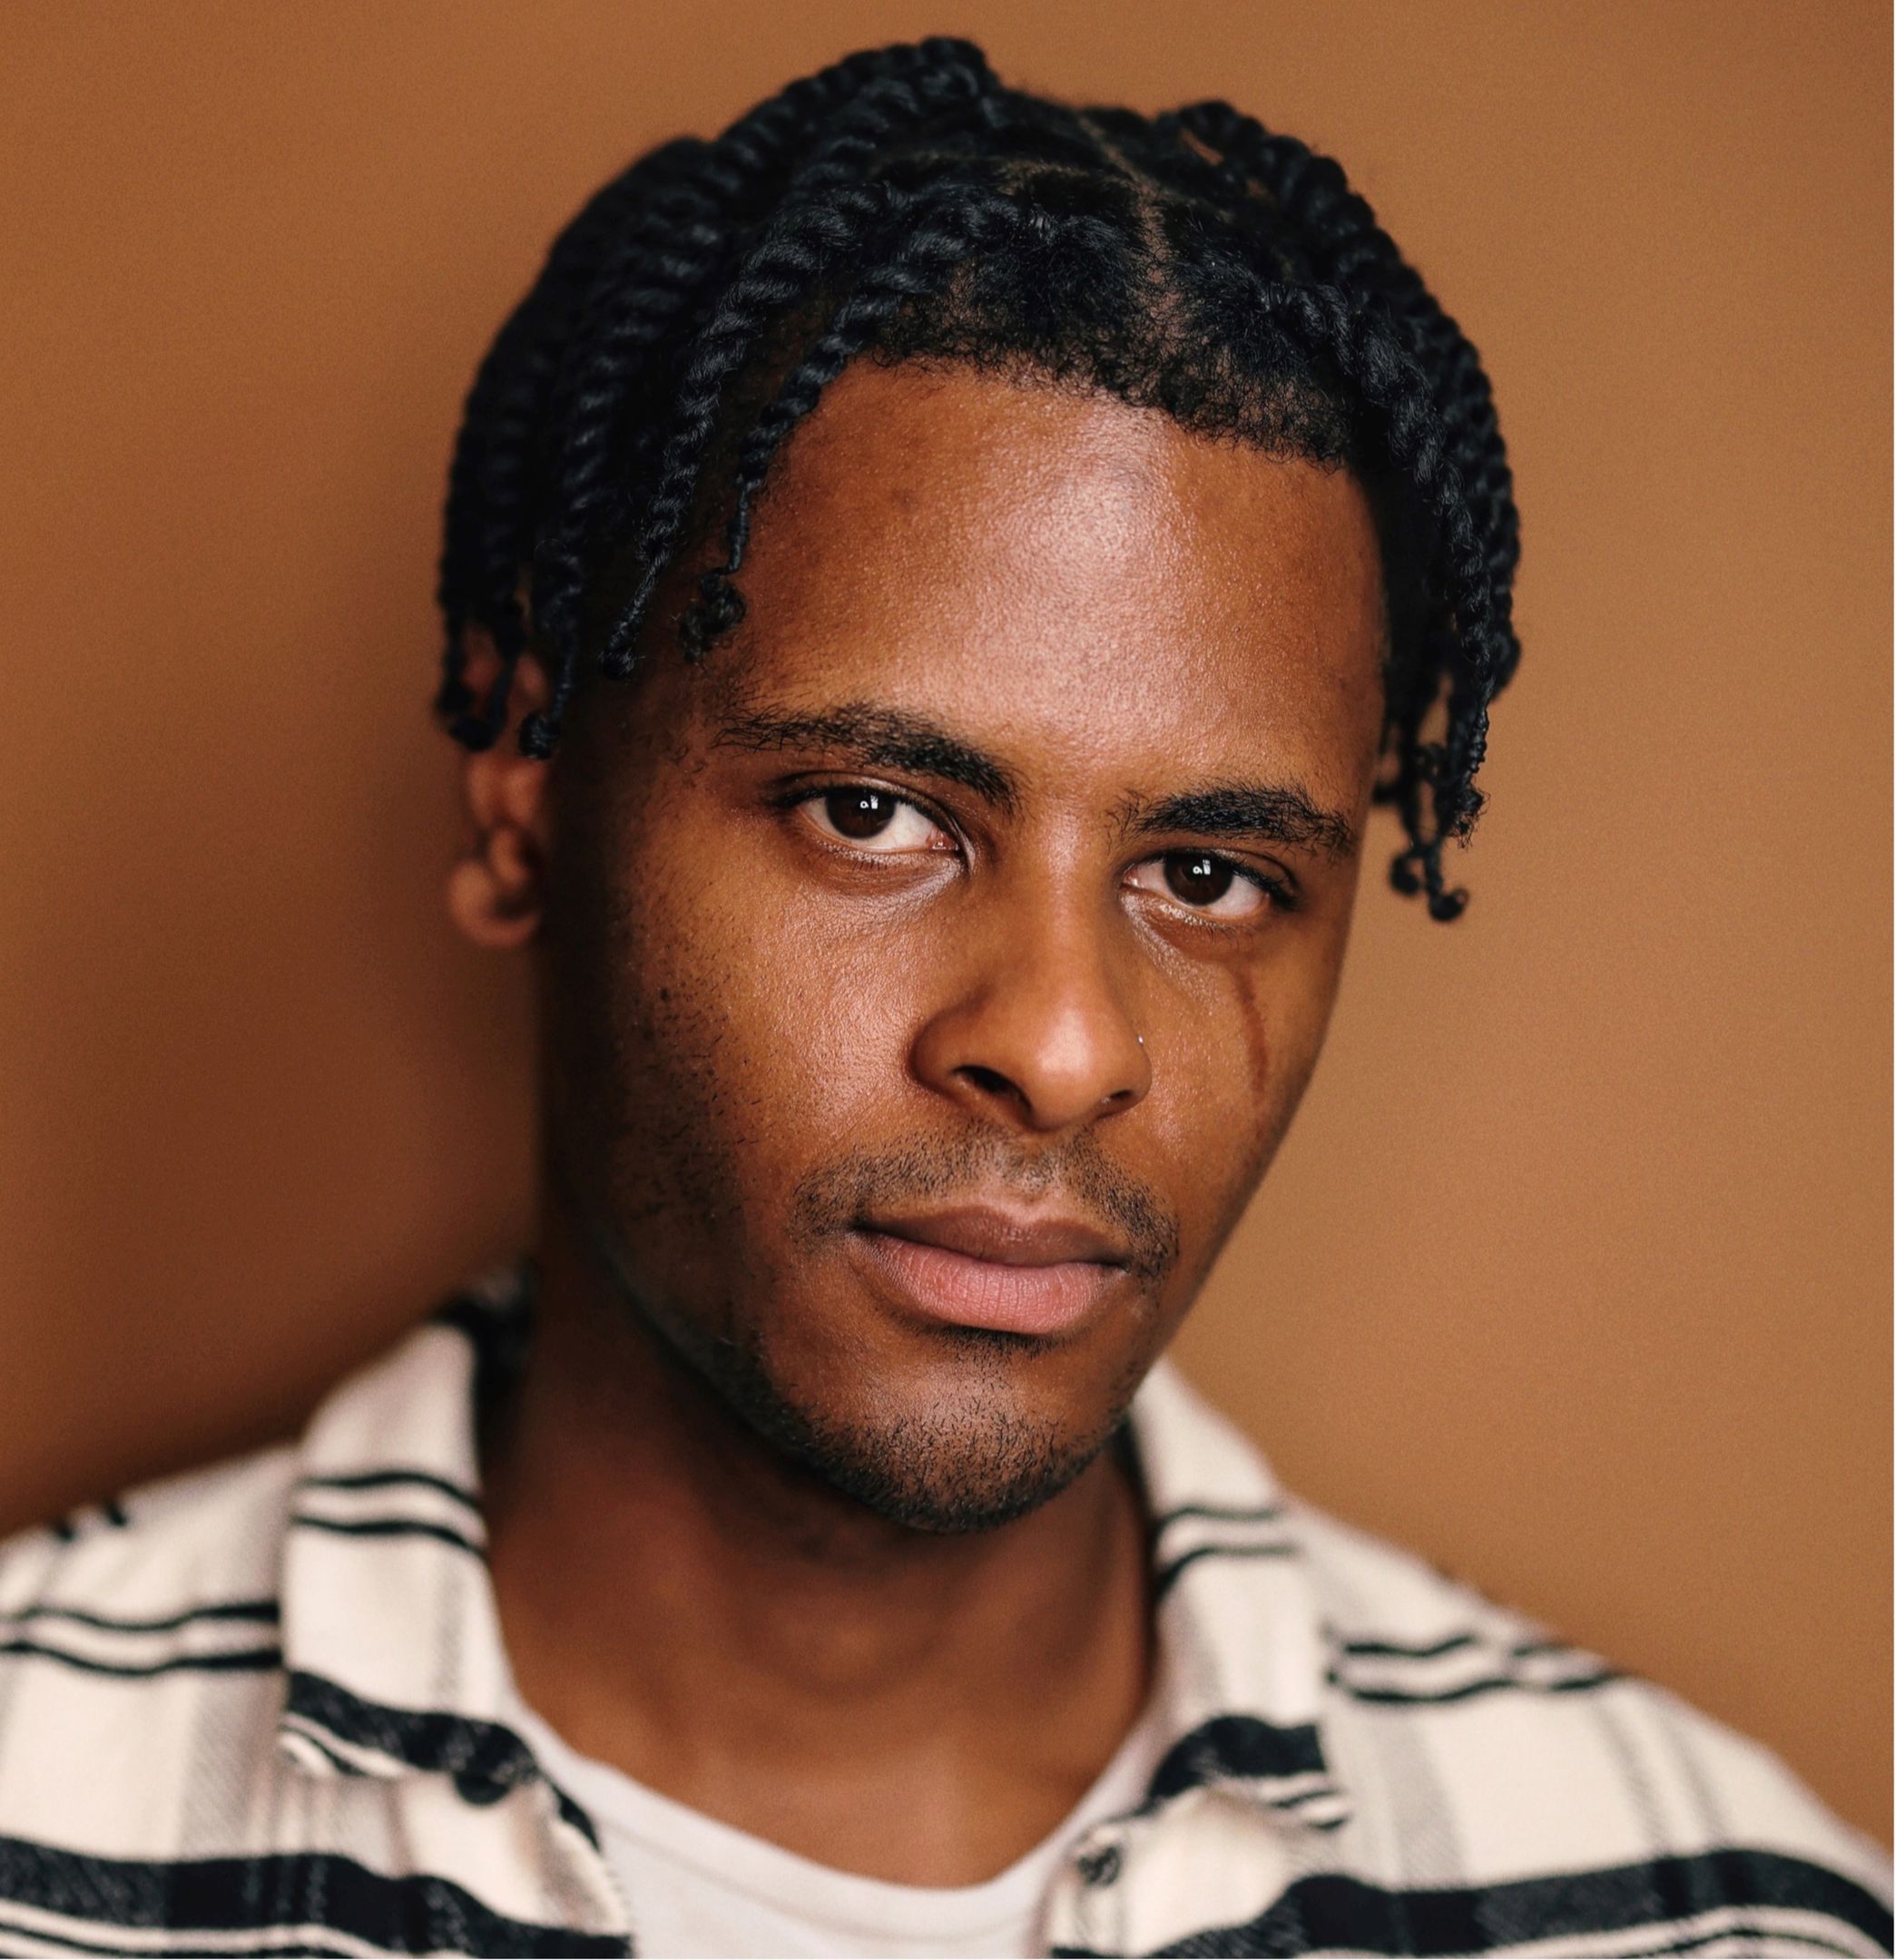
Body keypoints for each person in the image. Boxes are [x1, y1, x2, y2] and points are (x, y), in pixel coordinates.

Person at [0, 37, 1884, 1960]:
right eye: (874, 813)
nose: (1062, 1048)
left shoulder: (1718, 1921)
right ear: (524, 791)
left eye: (1209, 877)